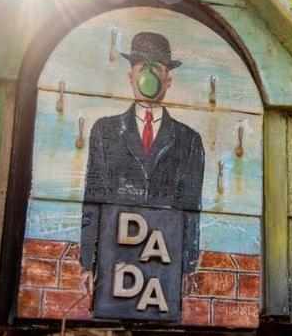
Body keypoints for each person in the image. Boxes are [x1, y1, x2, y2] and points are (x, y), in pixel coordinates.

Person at [80, 32, 205, 272]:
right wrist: (88, 264)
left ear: (168, 80)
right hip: (113, 256)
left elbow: (191, 212)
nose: (149, 77)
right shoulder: (105, 131)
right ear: (131, 76)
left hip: (164, 260)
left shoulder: (189, 140)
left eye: (157, 68)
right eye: (142, 68)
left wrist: (188, 268)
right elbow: (92, 202)